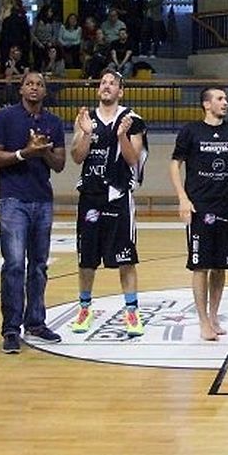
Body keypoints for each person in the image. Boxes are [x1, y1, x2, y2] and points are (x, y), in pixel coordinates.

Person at [169, 86, 228, 341]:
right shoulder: (191, 131)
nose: (225, 102)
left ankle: (214, 315)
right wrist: (182, 198)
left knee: (221, 267)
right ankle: (203, 321)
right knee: (201, 266)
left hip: (226, 206)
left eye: (226, 99)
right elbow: (175, 165)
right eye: (220, 99)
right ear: (207, 104)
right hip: (199, 207)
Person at [0, 71, 67, 354]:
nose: (34, 88)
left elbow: (59, 164)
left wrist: (42, 151)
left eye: (40, 85)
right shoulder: (4, 118)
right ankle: (11, 329)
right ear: (21, 89)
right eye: (29, 84)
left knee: (38, 266)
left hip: (42, 200)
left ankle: (35, 322)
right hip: (13, 200)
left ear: (45, 91)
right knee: (13, 265)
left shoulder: (54, 122)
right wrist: (25, 152)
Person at [70, 70, 148, 337]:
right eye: (103, 82)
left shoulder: (132, 119)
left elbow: (133, 159)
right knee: (86, 259)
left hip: (118, 196)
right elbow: (77, 157)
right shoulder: (85, 118)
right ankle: (84, 308)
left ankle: (131, 311)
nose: (106, 86)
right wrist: (85, 134)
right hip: (90, 196)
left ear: (120, 91)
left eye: (112, 83)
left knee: (126, 258)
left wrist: (121, 136)